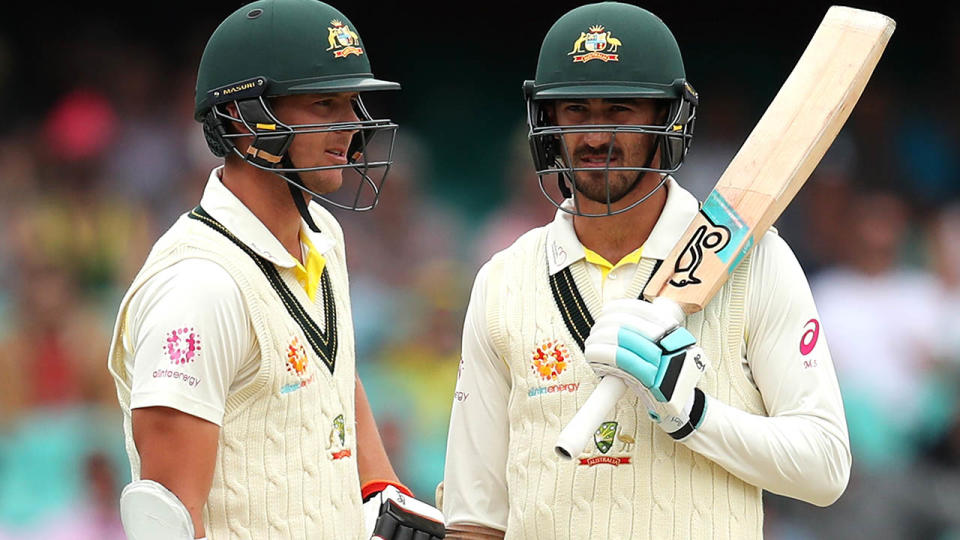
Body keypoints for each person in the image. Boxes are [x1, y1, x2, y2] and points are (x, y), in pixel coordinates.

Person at [441, 3, 850, 538]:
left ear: (668, 119)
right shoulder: (504, 280)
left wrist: (694, 414)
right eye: (576, 111)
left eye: (620, 109)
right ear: (548, 123)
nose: (594, 137)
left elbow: (825, 468)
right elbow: (476, 516)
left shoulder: (755, 259)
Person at [106, 1, 444, 538]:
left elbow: (334, 371)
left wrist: (381, 490)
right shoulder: (200, 285)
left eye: (353, 103)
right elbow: (166, 521)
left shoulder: (324, 237)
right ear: (244, 118)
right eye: (324, 103)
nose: (353, 128)